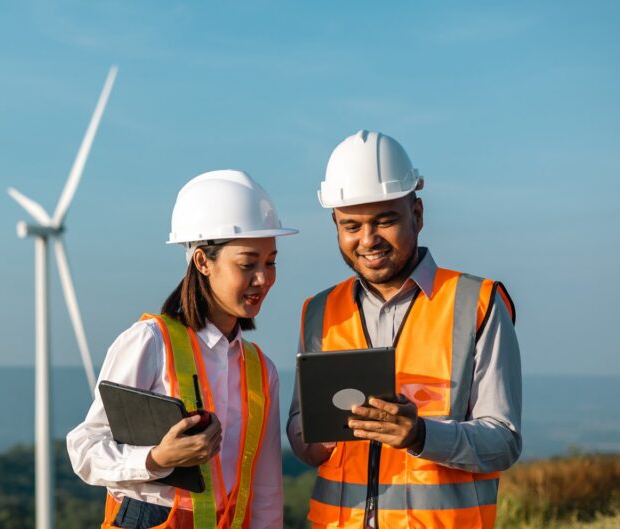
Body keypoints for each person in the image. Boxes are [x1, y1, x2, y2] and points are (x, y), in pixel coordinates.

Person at [287, 130, 522, 529]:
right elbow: (299, 429)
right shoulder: (319, 311)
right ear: (335, 224)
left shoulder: (476, 302)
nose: (367, 240)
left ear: (417, 214)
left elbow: (503, 441)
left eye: (384, 221)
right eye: (351, 226)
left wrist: (421, 436)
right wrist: (316, 437)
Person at [67, 169, 296, 529]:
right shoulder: (149, 343)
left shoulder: (261, 370)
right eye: (247, 264)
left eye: (271, 262)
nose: (263, 278)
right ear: (203, 261)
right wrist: (156, 458)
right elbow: (85, 448)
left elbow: (266, 490)